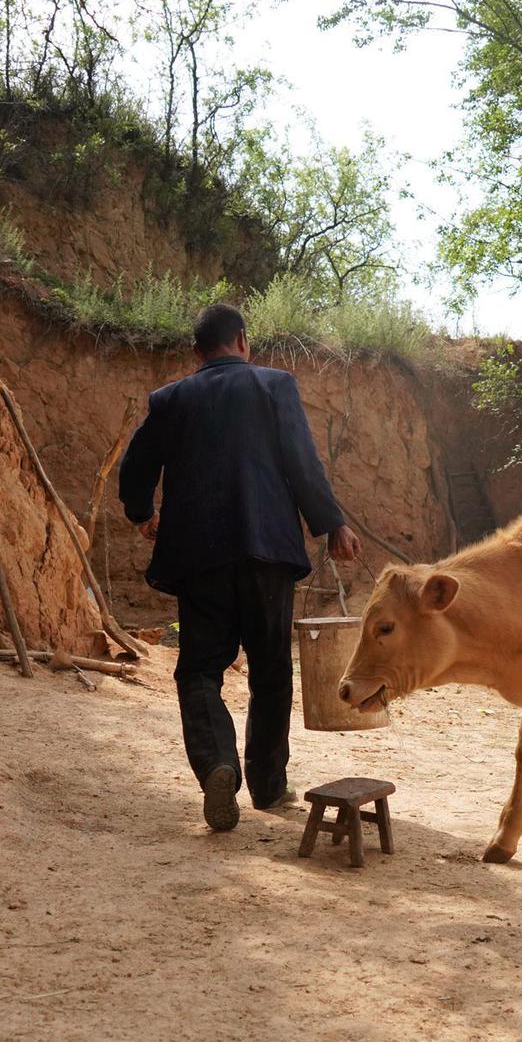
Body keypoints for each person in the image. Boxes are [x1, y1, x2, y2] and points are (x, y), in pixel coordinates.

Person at [118, 303, 362, 831]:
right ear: (244, 343)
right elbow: (302, 462)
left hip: (199, 557)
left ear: (197, 352)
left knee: (200, 669)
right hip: (267, 552)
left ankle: (217, 765)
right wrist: (333, 524)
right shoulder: (275, 386)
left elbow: (135, 467)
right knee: (271, 671)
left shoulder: (170, 399)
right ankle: (269, 787)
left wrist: (143, 513)